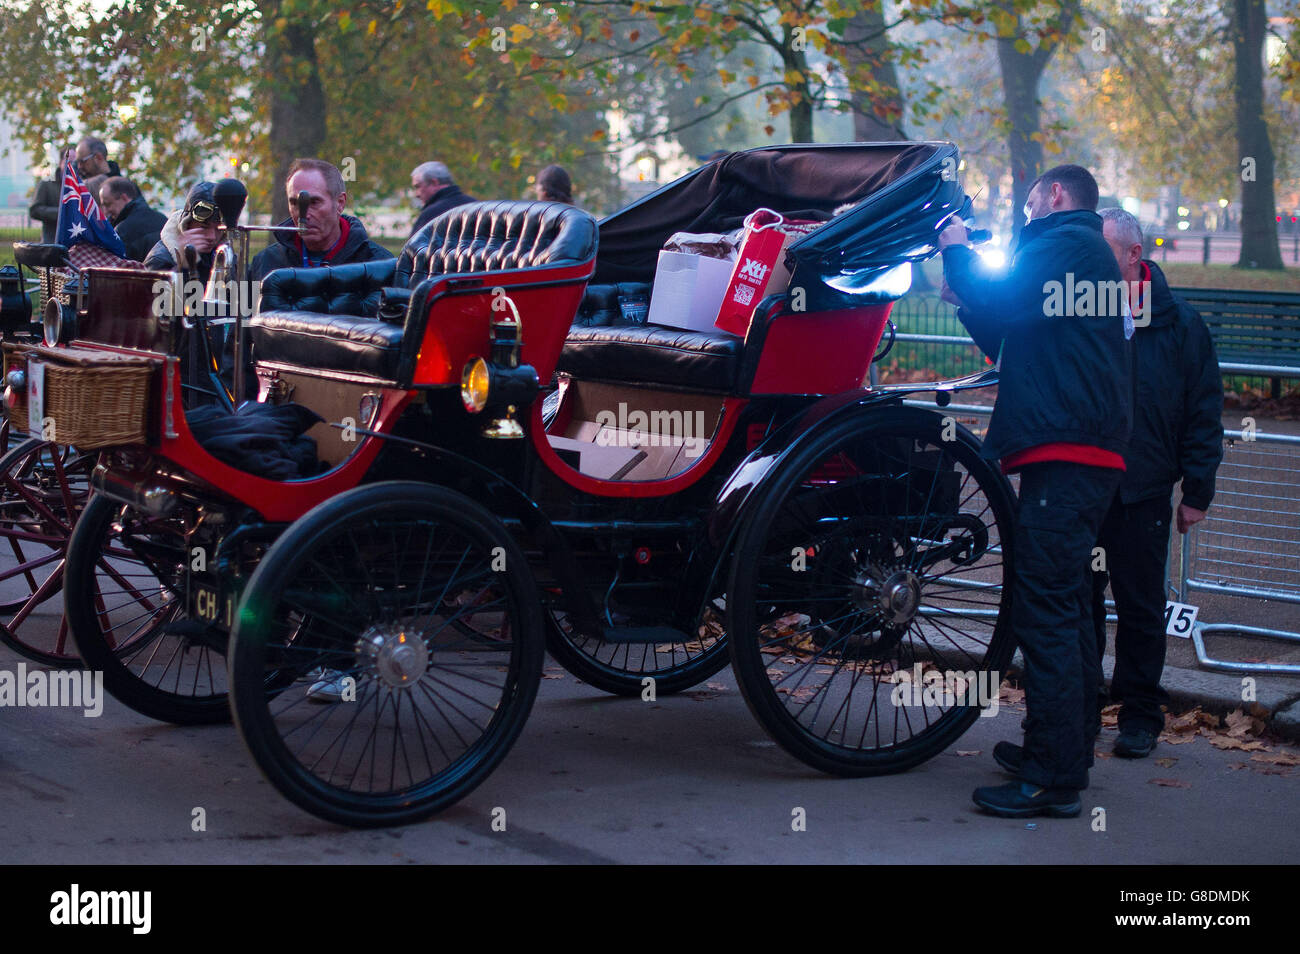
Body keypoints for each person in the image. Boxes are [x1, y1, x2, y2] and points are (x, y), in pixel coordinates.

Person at [939, 164, 1134, 818]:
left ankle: (1052, 780)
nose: (1022, 215)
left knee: (1046, 606)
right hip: (1078, 448)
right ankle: (1063, 753)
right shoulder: (1074, 252)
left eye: (1028, 202)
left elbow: (1002, 305)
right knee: (1069, 603)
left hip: (1068, 449)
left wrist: (956, 249)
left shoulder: (1065, 241)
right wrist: (965, 290)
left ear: (1056, 195)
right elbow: (1006, 335)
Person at [1091, 207, 1223, 758]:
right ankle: (1077, 709)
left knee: (1142, 608)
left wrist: (1197, 492)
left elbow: (1202, 410)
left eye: (1101, 253)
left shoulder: (1180, 324)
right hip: (1086, 486)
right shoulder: (1082, 309)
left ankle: (1140, 716)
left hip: (1142, 490)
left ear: (1132, 255)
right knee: (1079, 605)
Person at [251, 158, 393, 281]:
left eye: (314, 203)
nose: (303, 214)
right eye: (295, 203)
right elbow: (242, 310)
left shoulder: (378, 263)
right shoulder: (266, 262)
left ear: (340, 203)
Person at [143, 181, 225, 284]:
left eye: (219, 229)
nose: (212, 237)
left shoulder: (224, 255)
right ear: (186, 224)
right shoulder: (159, 261)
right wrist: (184, 266)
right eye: (204, 227)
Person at [100, 177, 168, 263]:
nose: (106, 211)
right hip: (170, 275)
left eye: (107, 204)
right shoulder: (163, 219)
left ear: (124, 198)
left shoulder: (122, 231)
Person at [409, 160, 474, 236]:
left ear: (434, 183)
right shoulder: (475, 206)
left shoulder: (431, 214)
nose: (417, 194)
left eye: (418, 187)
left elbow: (414, 246)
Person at [29, 154, 66, 244]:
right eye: (69, 160)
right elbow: (34, 210)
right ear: (61, 162)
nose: (73, 164)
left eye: (76, 161)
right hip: (51, 242)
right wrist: (61, 213)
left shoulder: (82, 184)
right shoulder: (46, 184)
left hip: (77, 246)